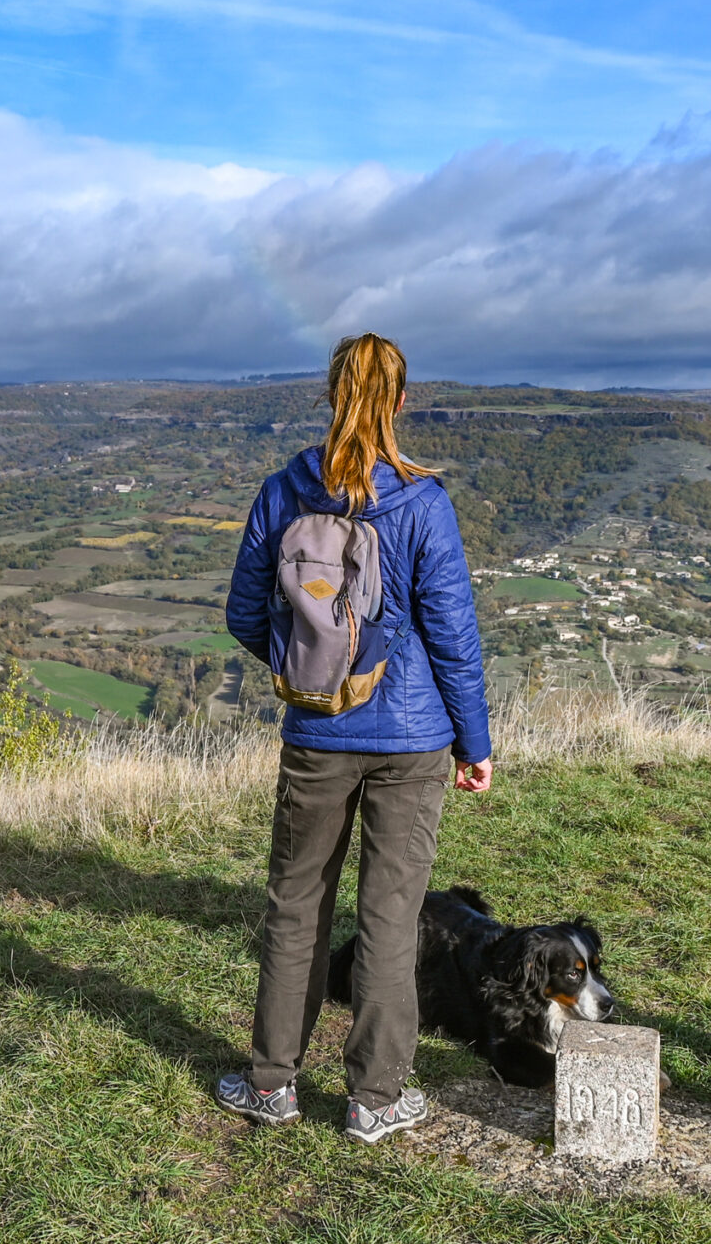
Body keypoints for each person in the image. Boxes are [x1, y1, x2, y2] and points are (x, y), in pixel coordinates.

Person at [213, 334, 493, 1145]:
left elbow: (241, 611)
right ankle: (375, 1097)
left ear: (330, 395)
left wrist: (308, 666)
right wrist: (474, 741)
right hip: (413, 739)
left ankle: (271, 1083)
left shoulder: (283, 492)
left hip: (316, 732)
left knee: (297, 904)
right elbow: (452, 637)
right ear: (402, 403)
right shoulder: (423, 502)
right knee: (391, 914)